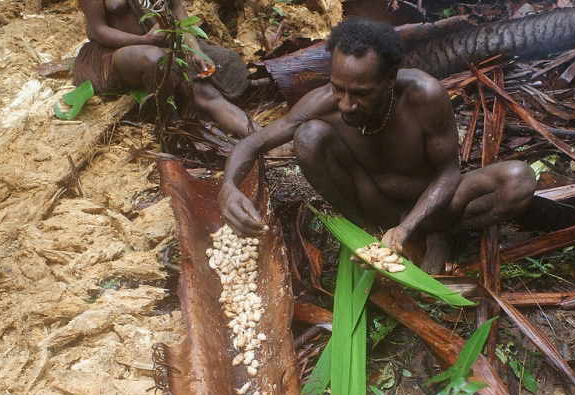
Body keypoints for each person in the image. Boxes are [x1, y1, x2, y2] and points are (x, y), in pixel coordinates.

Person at [219, 16, 536, 273]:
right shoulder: (324, 103)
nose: (345, 104)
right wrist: (228, 186)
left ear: (390, 78)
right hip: (376, 205)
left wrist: (408, 227)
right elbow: (253, 144)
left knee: (518, 180)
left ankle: (440, 235)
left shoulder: (424, 95)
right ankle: (369, 234)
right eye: (338, 88)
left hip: (434, 205)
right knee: (308, 136)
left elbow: (448, 173)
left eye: (360, 93)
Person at [75, 0, 257, 138]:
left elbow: (176, 7)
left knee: (207, 86)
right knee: (154, 58)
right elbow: (99, 30)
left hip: (167, 43)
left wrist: (196, 50)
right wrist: (146, 39)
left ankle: (262, 138)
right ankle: (169, 122)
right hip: (119, 53)